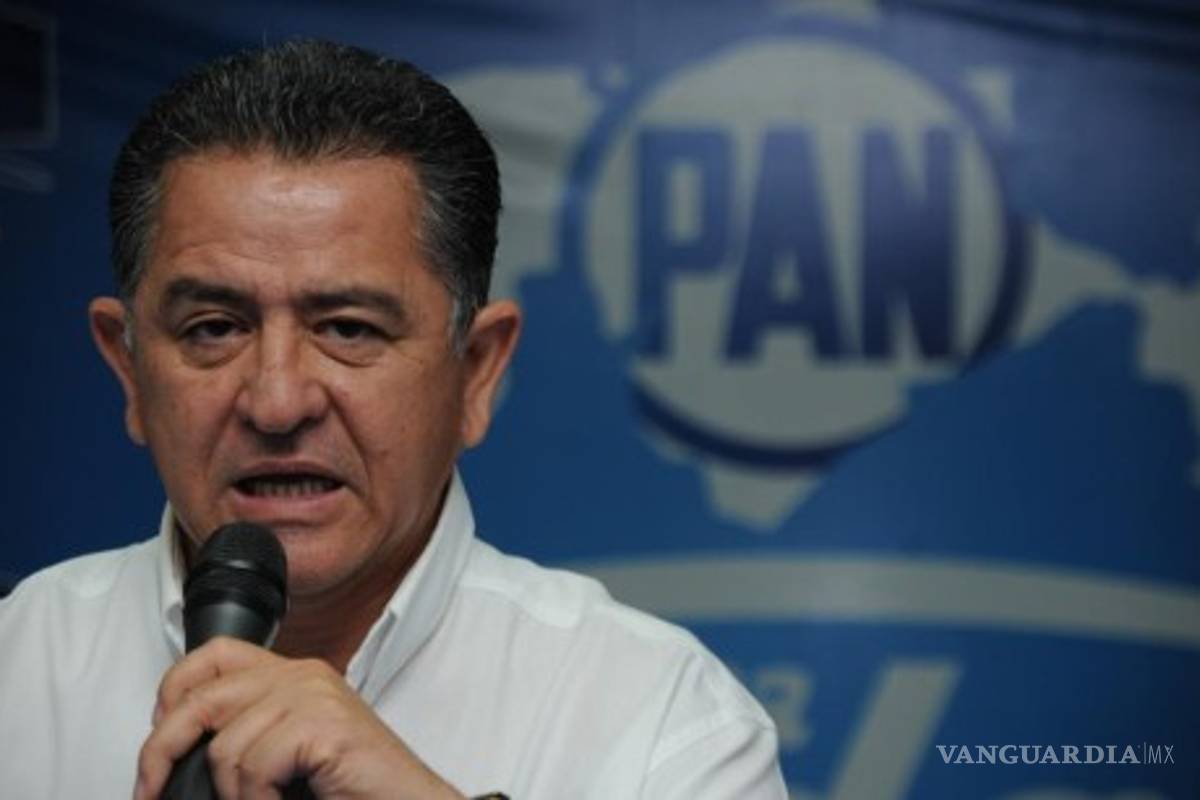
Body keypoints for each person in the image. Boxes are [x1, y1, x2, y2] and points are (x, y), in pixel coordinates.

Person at [0, 40, 785, 799]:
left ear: (476, 373)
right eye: (215, 328)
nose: (277, 402)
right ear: (129, 370)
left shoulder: (660, 720)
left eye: (348, 329)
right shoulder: (17, 671)